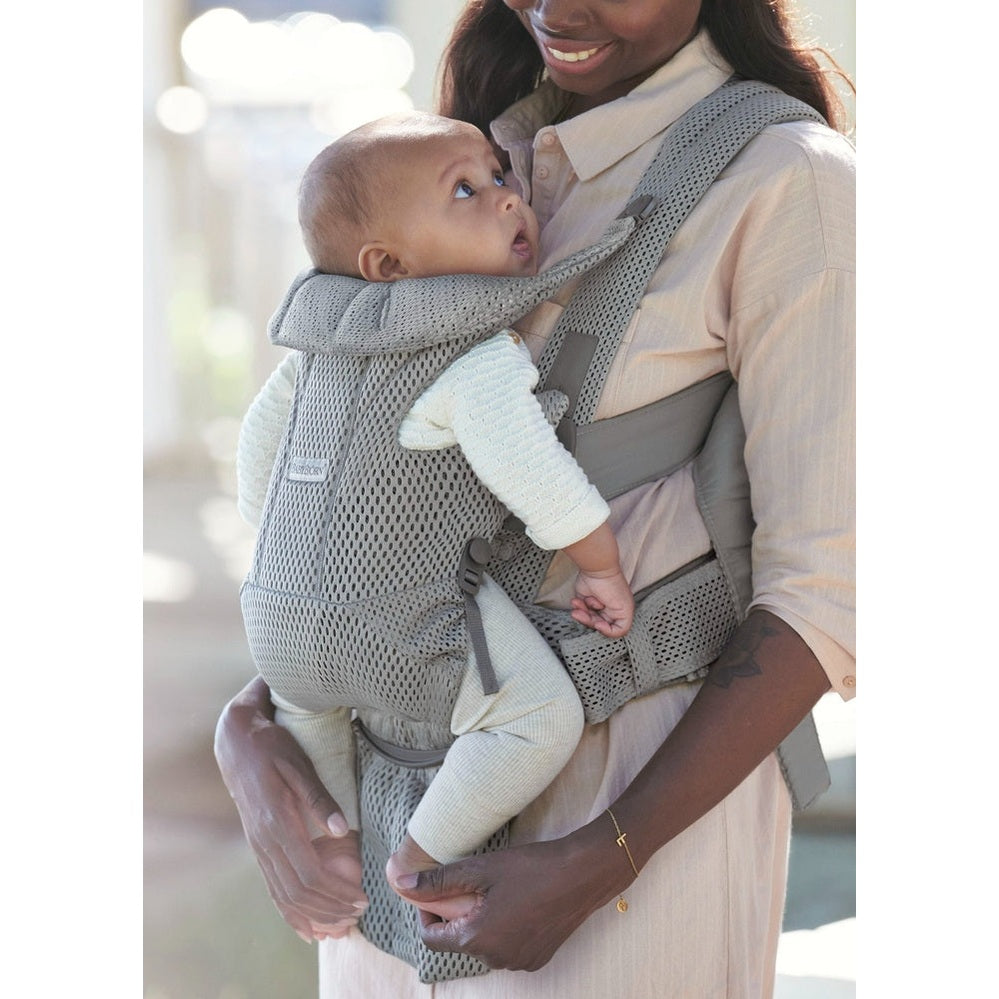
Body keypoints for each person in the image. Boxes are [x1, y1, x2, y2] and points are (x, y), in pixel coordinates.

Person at [215, 1, 856, 995]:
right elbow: (346, 506)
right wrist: (251, 739)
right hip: (389, 836)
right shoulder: (468, 155)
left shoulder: (787, 184)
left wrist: (602, 857)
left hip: (625, 848)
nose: (557, 6)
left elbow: (826, 597)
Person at [238, 110, 635, 922]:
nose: (506, 199)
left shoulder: (319, 347)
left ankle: (335, 867)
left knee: (323, 784)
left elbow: (260, 455)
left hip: (279, 627)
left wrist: (286, 553)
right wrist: (598, 565)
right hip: (392, 623)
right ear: (387, 264)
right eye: (466, 189)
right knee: (537, 719)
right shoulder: (471, 353)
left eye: (498, 175)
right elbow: (538, 479)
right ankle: (416, 856)